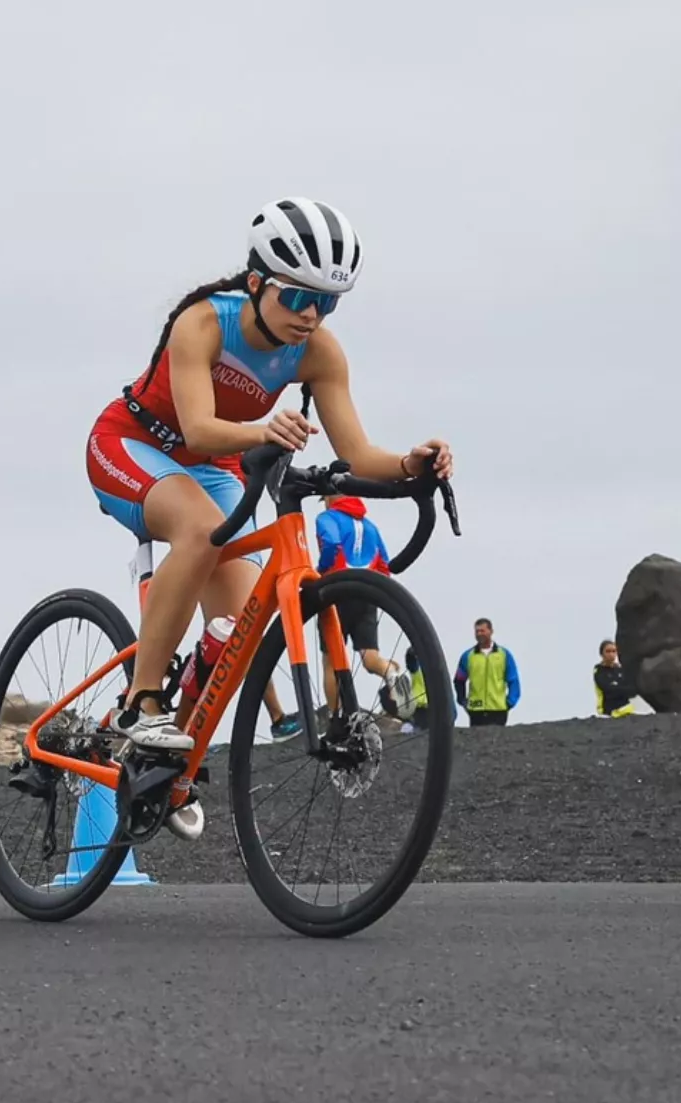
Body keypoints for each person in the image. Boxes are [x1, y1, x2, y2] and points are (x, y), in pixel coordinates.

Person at [83, 196, 453, 839]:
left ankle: (168, 763)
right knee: (199, 531)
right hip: (135, 444)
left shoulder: (320, 354)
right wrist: (263, 427)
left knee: (239, 625)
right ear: (256, 284)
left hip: (217, 468)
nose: (311, 316)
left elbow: (359, 454)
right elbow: (198, 428)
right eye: (297, 298)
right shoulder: (202, 323)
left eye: (327, 303)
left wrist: (414, 464)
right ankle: (141, 708)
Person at [313, 490, 414, 717]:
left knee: (330, 661)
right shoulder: (370, 526)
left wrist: (322, 571)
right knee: (370, 658)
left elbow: (330, 543)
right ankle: (390, 672)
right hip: (367, 594)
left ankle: (335, 715)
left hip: (336, 592)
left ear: (329, 498)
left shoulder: (327, 518)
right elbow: (385, 565)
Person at [454, 618, 520, 727]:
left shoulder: (504, 655)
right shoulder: (467, 656)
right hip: (476, 710)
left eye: (482, 631)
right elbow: (459, 680)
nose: (479, 634)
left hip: (498, 710)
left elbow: (513, 680)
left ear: (491, 631)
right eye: (477, 631)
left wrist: (510, 702)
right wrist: (462, 701)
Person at [594, 640, 637, 718]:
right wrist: (622, 690)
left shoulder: (620, 669)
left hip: (626, 709)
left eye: (614, 651)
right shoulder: (598, 671)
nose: (611, 654)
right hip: (608, 712)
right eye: (608, 651)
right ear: (601, 654)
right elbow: (608, 689)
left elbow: (632, 690)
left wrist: (619, 688)